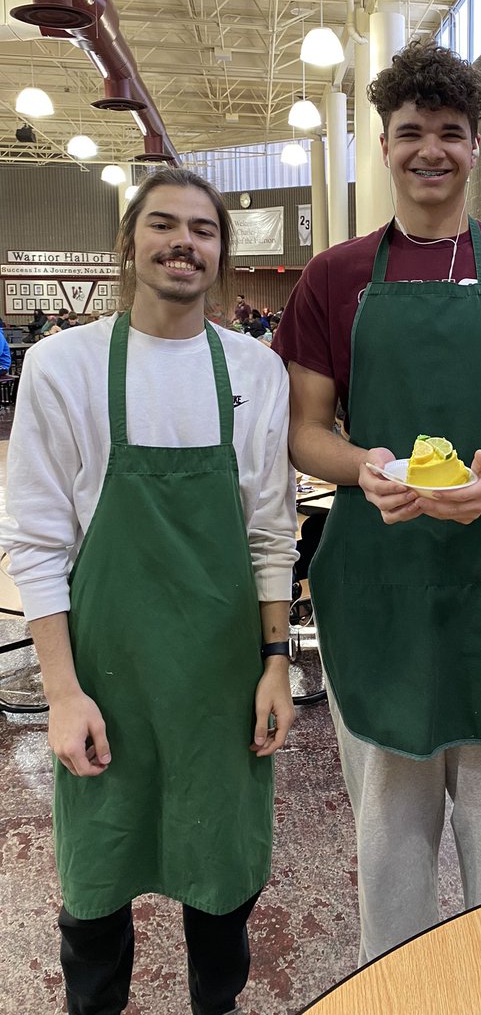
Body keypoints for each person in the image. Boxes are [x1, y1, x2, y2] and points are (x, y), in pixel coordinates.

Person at [274, 39, 481, 963]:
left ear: (476, 145)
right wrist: (364, 468)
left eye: (449, 133)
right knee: (390, 834)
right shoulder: (335, 278)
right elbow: (306, 428)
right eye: (409, 131)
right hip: (378, 577)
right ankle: (399, 983)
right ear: (383, 145)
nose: (429, 150)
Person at [1, 167, 297, 1015]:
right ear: (129, 244)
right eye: (163, 225)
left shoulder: (255, 371)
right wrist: (61, 693)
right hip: (107, 672)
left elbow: (270, 531)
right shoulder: (67, 364)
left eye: (202, 230)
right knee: (96, 884)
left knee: (222, 882)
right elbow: (36, 541)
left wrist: (275, 661)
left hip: (221, 676)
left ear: (220, 252)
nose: (183, 243)